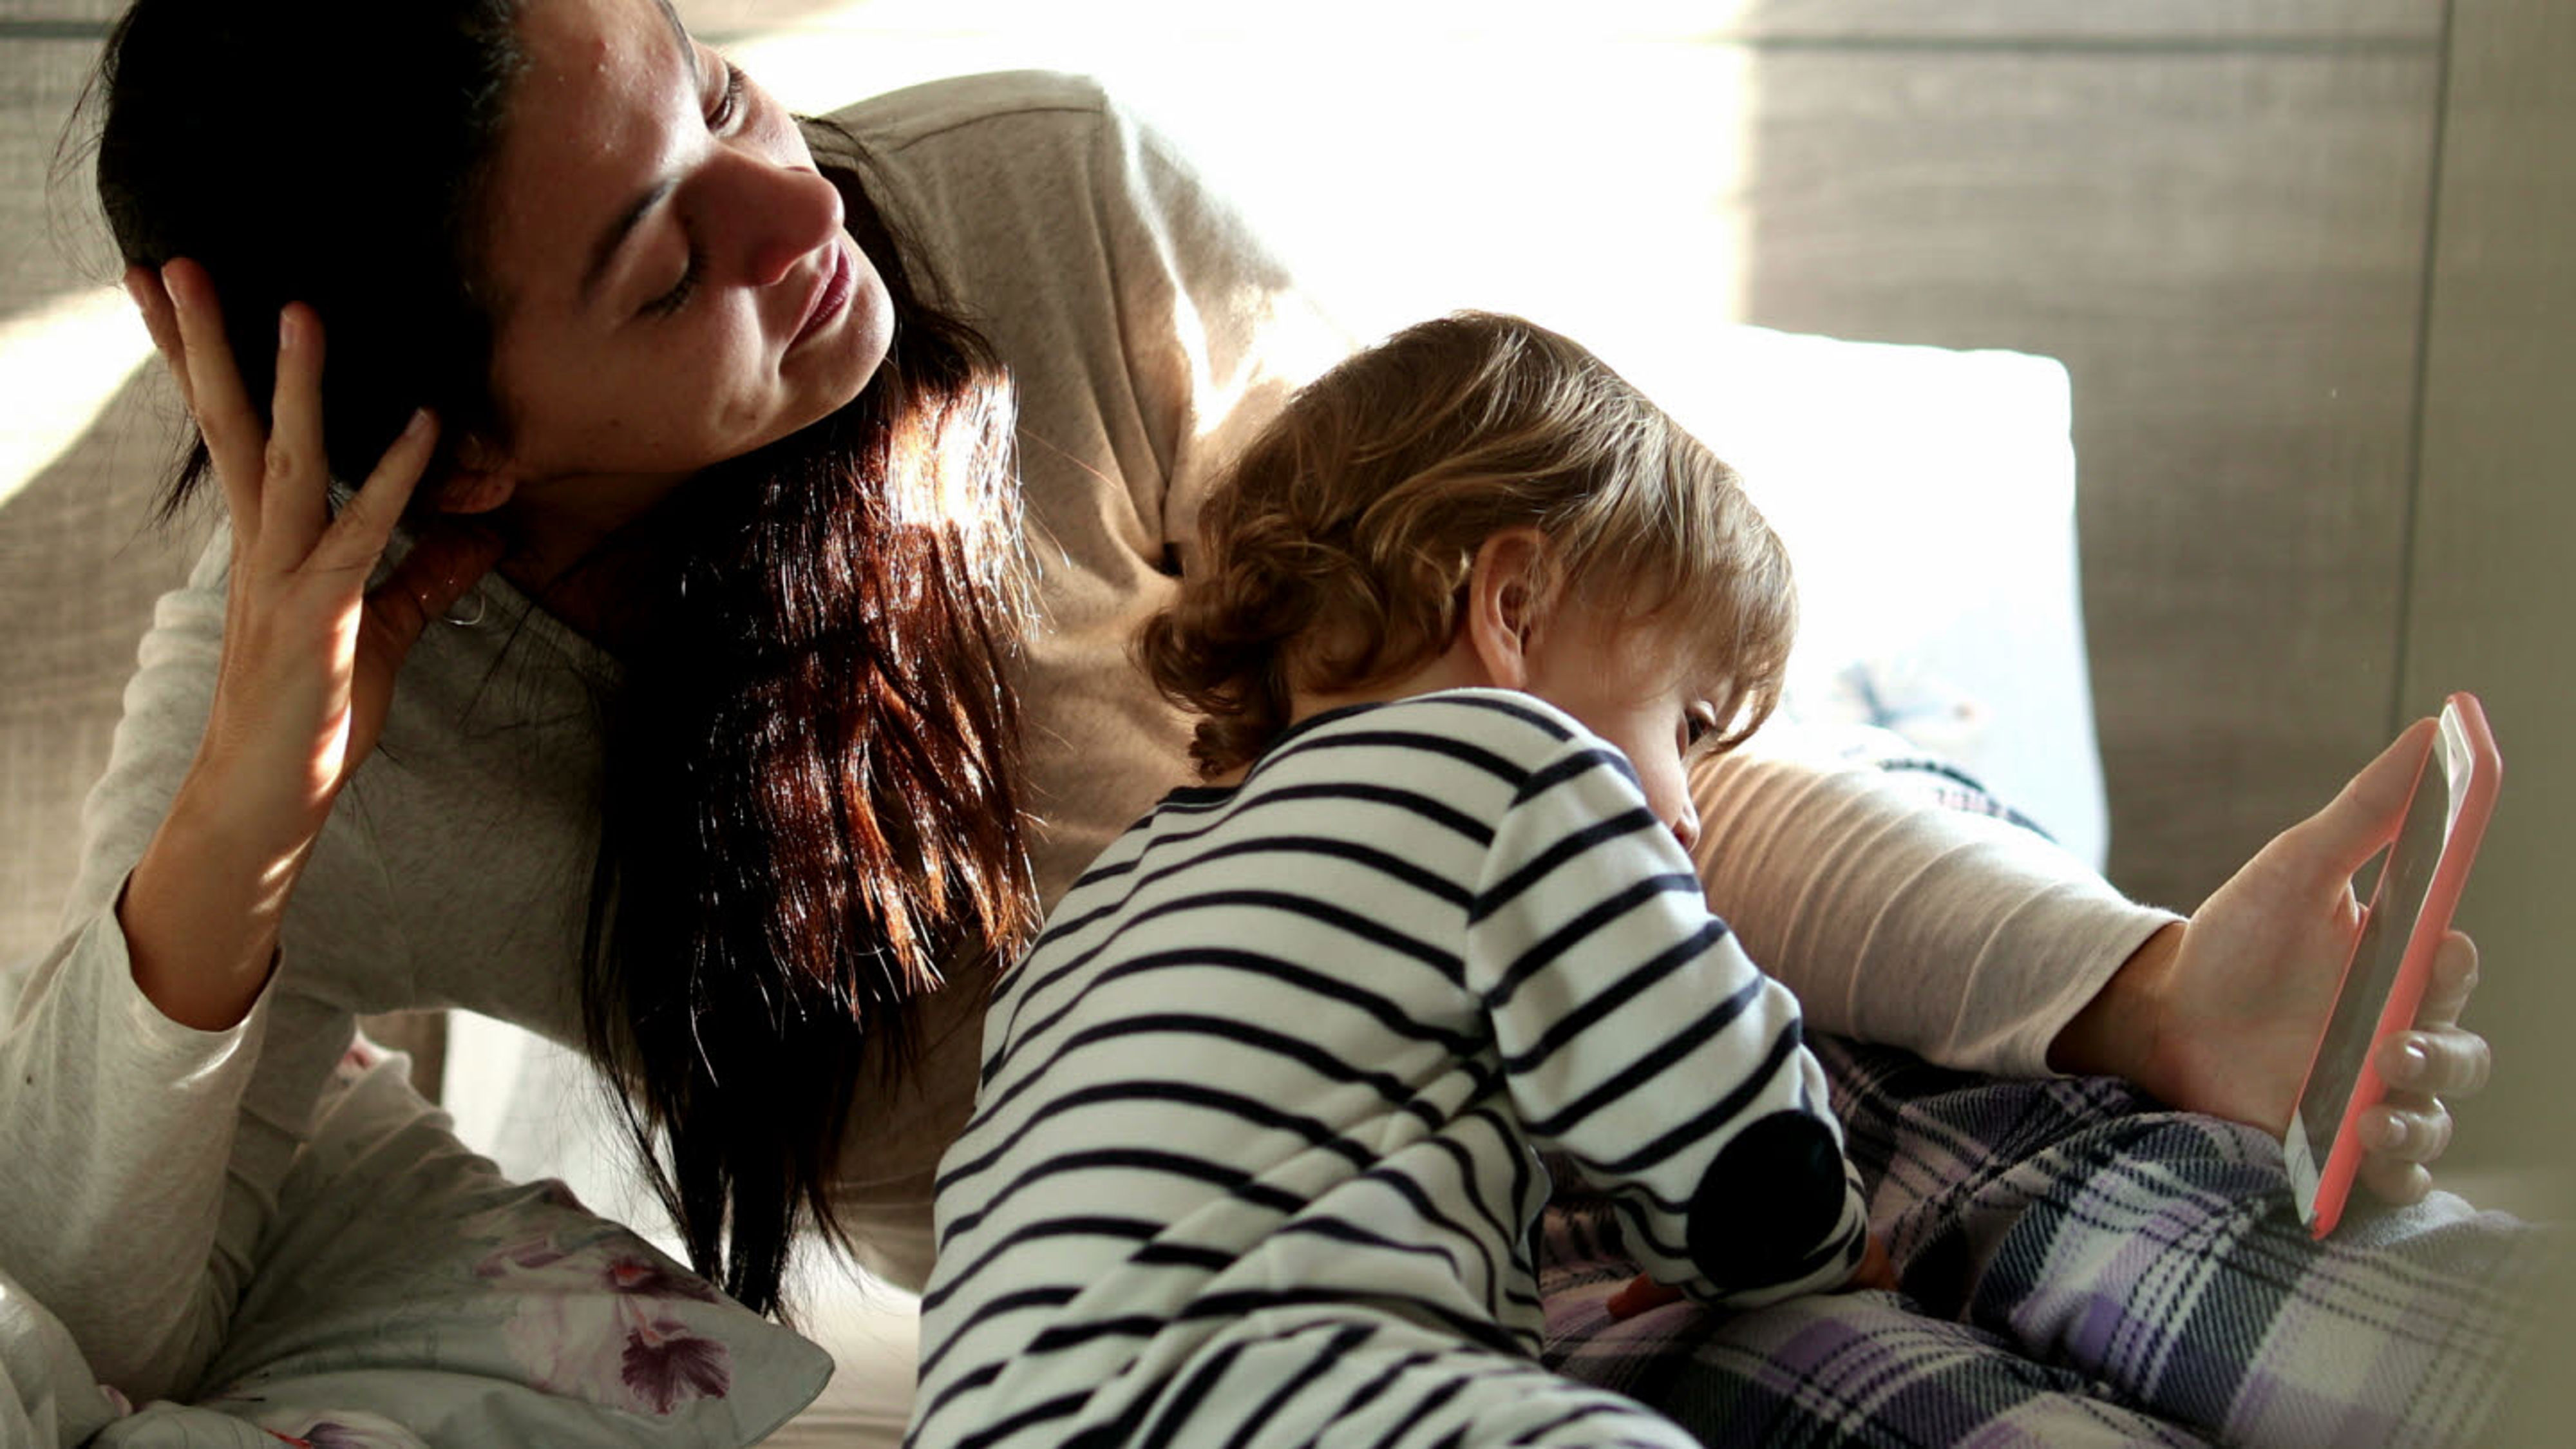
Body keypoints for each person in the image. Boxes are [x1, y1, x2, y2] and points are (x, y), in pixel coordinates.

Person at [0, 0, 2494, 1423]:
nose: (808, 210)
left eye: (723, 88)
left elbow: (1551, 743)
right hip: (1319, 1292)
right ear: (459, 427)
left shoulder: (1039, 199)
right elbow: (96, 1301)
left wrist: (2120, 983)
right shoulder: (322, 714)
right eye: (671, 264)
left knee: (2388, 1341)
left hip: (1702, 1006)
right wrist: (253, 803)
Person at [909, 310, 1899, 1448]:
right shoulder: (1511, 765)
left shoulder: (1096, 911)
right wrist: (1820, 1242)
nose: (1688, 808)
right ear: (1513, 607)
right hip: (1306, 1402)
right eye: (1689, 724)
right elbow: (1733, 1135)